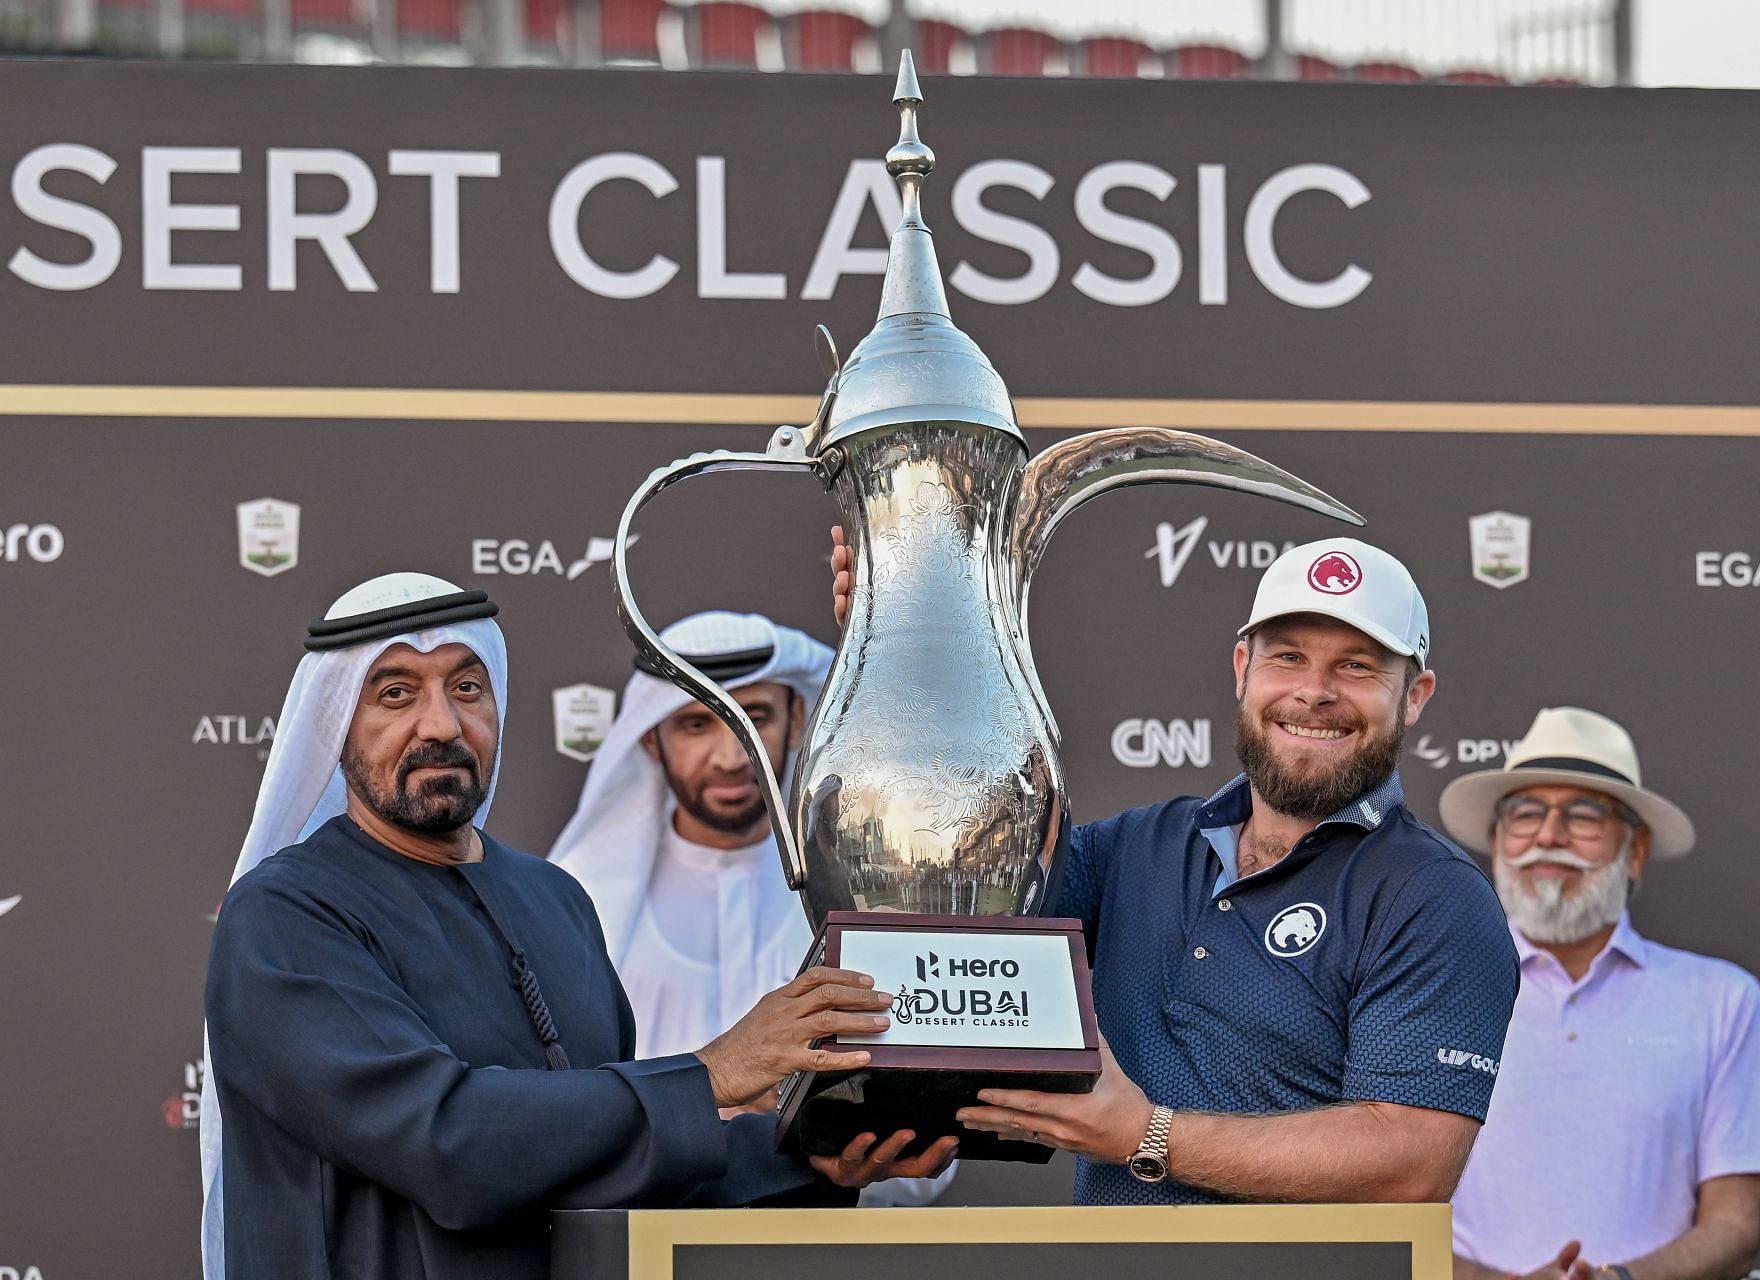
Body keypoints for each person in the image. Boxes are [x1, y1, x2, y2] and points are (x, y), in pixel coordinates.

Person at [202, 573, 952, 1280]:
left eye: (467, 686)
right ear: (335, 726)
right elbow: (446, 1145)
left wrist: (808, 1155)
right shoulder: (285, 916)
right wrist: (712, 1072)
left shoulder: (553, 898)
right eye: (394, 694)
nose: (441, 724)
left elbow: (605, 1177)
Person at [828, 532, 1521, 1205]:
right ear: (1242, 667)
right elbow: (952, 910)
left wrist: (1146, 1135)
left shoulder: (1434, 898)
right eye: (1287, 657)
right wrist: (906, 655)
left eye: (1357, 666)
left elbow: (1411, 1164)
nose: (1314, 692)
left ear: (1416, 695)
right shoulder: (1137, 846)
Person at [550, 610, 954, 1206]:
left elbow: (921, 1136)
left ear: (797, 718)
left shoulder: (870, 884)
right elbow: (562, 1123)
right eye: (695, 724)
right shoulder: (577, 901)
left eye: (754, 718)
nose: (730, 755)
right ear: (649, 739)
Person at [1438, 706, 1760, 1280]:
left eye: (1582, 816)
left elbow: (1735, 1227)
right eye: (1526, 814)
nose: (1548, 837)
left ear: (1634, 852)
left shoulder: (1722, 1001)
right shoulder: (1423, 993)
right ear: (1497, 841)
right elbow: (1380, 1222)